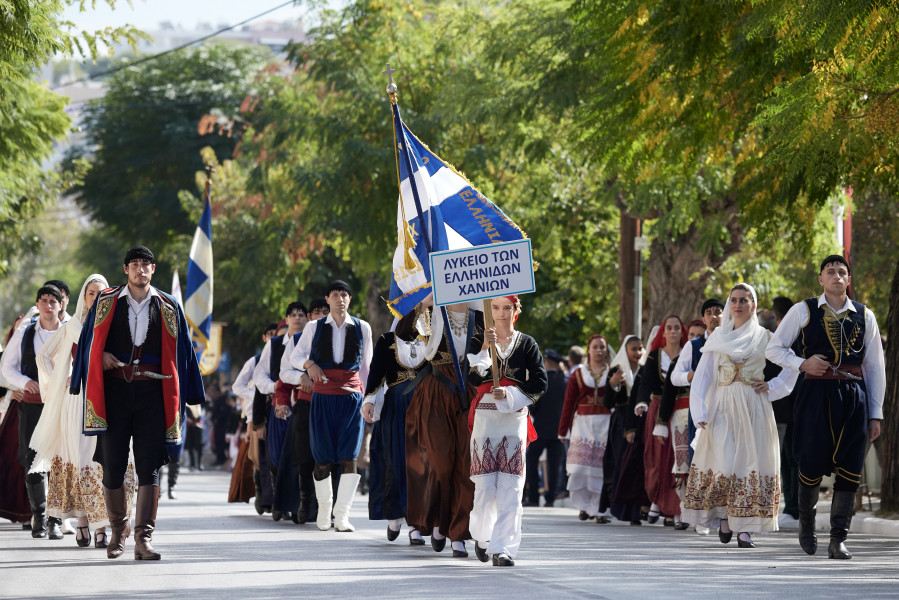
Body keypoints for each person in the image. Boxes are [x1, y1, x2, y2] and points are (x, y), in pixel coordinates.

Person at [70, 245, 205, 560]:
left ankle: (144, 539)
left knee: (150, 467)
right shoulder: (106, 302)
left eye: (146, 264)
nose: (140, 269)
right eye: (135, 264)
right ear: (125, 269)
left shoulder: (170, 306)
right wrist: (99, 357)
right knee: (113, 467)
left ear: (153, 270)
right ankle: (118, 532)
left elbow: (183, 351)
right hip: (114, 395)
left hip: (153, 397)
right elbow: (88, 343)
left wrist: (193, 396)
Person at [766, 255, 885, 560]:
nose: (836, 275)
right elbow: (773, 349)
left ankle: (838, 538)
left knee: (849, 466)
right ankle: (807, 526)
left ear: (849, 279)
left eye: (841, 271)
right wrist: (802, 362)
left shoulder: (865, 315)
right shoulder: (803, 310)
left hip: (853, 396)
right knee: (810, 461)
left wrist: (875, 413)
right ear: (820, 279)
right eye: (829, 271)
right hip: (815, 394)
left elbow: (874, 367)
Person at [682, 284, 798, 548]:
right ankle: (724, 515)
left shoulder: (766, 337)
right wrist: (699, 410)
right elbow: (703, 377)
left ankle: (745, 529)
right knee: (725, 463)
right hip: (722, 406)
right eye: (733, 300)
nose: (737, 305)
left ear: (753, 304)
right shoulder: (717, 338)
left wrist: (772, 387)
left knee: (749, 463)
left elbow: (792, 367)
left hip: (753, 407)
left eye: (743, 300)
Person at [30, 274, 138, 548]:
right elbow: (43, 356)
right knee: (81, 460)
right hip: (77, 401)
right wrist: (61, 381)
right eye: (91, 293)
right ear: (84, 297)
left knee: (106, 461)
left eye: (102, 293)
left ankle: (102, 526)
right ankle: (83, 521)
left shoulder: (115, 325)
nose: (96, 297)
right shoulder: (72, 326)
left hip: (108, 399)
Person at [467, 295, 547, 566]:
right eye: (496, 307)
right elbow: (472, 378)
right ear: (489, 310)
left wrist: (511, 393)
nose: (501, 313)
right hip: (485, 419)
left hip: (513, 418)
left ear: (515, 310)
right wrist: (485, 348)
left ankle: (504, 549)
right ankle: (483, 536)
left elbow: (539, 381)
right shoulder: (480, 339)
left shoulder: (527, 343)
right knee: (485, 487)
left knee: (510, 486)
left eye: (507, 308)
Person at [293, 281, 372, 532]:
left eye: (344, 295)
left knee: (349, 457)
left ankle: (343, 515)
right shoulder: (314, 327)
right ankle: (325, 510)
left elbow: (368, 367)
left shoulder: (363, 327)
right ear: (327, 299)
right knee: (323, 458)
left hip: (351, 398)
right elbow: (295, 357)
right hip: (323, 397)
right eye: (335, 295)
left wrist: (370, 399)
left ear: (350, 299)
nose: (340, 299)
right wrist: (309, 364)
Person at [404, 301, 479, 555]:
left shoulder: (482, 310)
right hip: (437, 392)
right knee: (439, 464)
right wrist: (421, 305)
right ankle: (438, 519)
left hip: (469, 395)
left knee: (466, 465)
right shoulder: (432, 309)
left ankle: (458, 533)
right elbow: (404, 333)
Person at [2, 284, 65, 539]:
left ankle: (55, 521)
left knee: (60, 462)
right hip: (32, 404)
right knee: (32, 460)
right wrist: (24, 383)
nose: (49, 305)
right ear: (37, 305)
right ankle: (38, 516)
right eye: (44, 300)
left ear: (61, 306)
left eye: (54, 301)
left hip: (61, 406)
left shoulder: (70, 333)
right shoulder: (26, 333)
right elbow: (7, 367)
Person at [362, 309, 426, 541]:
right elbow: (376, 373)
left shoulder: (430, 339)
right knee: (396, 461)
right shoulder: (386, 341)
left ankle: (417, 523)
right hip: (395, 408)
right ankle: (395, 516)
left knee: (421, 464)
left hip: (424, 408)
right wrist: (369, 400)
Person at [558, 334, 616, 522]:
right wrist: (563, 430)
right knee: (581, 469)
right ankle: (584, 507)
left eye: (602, 347)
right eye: (595, 347)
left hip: (606, 423)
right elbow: (569, 402)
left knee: (600, 468)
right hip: (583, 424)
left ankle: (600, 510)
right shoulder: (578, 373)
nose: (599, 350)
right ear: (588, 350)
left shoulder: (614, 372)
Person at [636, 315, 687, 526]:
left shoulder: (688, 354)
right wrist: (641, 403)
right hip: (658, 409)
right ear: (663, 332)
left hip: (682, 409)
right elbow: (646, 383)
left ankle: (676, 509)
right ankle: (657, 500)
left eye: (677, 328)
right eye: (669, 328)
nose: (673, 331)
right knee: (657, 459)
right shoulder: (654, 356)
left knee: (677, 460)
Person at [604, 335, 645, 524]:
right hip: (621, 421)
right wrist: (613, 385)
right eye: (633, 349)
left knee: (638, 466)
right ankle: (620, 508)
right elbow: (607, 402)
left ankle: (638, 510)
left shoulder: (645, 370)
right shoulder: (616, 370)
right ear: (625, 350)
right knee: (621, 463)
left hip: (641, 420)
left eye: (640, 348)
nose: (637, 353)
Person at [771, 295, 801, 526]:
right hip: (786, 408)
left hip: (797, 406)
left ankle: (794, 508)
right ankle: (791, 507)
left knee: (793, 456)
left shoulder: (795, 339)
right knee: (787, 456)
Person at [524, 349, 567, 508]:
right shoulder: (565, 381)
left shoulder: (543, 380)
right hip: (559, 429)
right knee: (554, 464)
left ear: (547, 363)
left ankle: (533, 497)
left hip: (541, 428)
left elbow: (533, 405)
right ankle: (550, 499)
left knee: (532, 460)